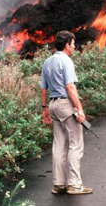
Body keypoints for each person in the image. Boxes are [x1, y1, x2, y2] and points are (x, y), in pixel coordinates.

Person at [40, 31, 93, 195]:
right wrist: (80, 109)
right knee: (75, 144)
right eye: (73, 43)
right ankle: (75, 185)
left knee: (59, 145)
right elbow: (70, 87)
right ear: (67, 45)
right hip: (65, 104)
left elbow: (43, 89)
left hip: (53, 105)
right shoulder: (66, 61)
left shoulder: (47, 62)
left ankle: (59, 184)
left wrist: (44, 110)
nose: (74, 47)